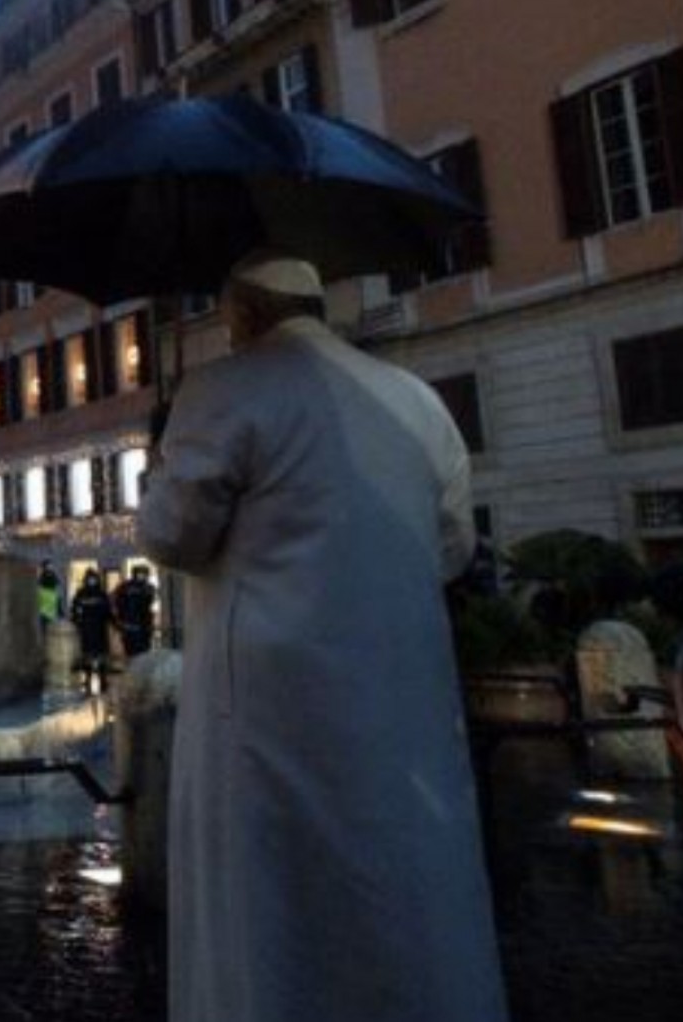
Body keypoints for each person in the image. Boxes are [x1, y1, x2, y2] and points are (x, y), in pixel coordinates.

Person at [137, 253, 505, 1022]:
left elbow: (171, 536)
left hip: (269, 710)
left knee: (272, 913)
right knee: (407, 887)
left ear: (242, 313)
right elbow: (452, 550)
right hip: (401, 698)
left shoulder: (222, 389)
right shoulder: (417, 401)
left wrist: (156, 470)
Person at [68, 569, 114, 689]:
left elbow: (108, 611)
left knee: (101, 655)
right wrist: (76, 622)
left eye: (93, 578)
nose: (91, 581)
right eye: (90, 578)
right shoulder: (81, 593)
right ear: (86, 580)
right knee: (87, 655)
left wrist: (114, 623)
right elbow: (75, 609)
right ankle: (88, 678)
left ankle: (103, 679)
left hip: (100, 628)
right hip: (86, 628)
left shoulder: (101, 594)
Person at [111, 565, 157, 657]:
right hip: (130, 624)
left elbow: (149, 603)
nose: (142, 576)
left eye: (144, 574)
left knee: (143, 651)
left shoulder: (149, 587)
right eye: (140, 573)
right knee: (131, 650)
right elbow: (117, 603)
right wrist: (120, 621)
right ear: (134, 574)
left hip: (143, 625)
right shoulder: (125, 587)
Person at [35, 559, 63, 628]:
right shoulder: (45, 576)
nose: (50, 568)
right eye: (49, 566)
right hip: (47, 604)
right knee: (46, 623)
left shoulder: (50, 576)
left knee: (47, 624)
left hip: (49, 603)